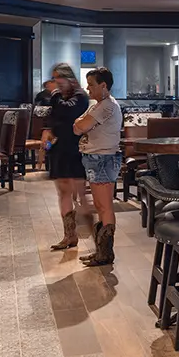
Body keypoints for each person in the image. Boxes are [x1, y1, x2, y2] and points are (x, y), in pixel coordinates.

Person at [74, 66, 123, 267]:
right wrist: (80, 123)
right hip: (97, 158)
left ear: (104, 86)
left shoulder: (106, 106)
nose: (88, 88)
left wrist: (81, 123)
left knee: (104, 206)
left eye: (92, 85)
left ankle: (105, 253)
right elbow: (78, 125)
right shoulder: (97, 105)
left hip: (103, 159)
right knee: (101, 205)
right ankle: (101, 251)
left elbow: (81, 127)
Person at [42, 64, 89, 252]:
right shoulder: (62, 97)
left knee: (79, 194)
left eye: (57, 78)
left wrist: (53, 94)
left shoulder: (80, 97)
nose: (55, 83)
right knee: (63, 192)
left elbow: (67, 112)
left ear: (67, 78)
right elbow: (54, 118)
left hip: (73, 150)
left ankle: (91, 234)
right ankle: (69, 235)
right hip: (60, 149)